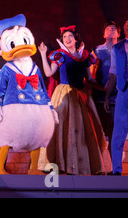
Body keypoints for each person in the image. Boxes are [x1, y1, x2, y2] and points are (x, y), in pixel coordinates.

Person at [39, 25, 111, 175]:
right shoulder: (59, 55)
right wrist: (43, 54)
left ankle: (79, 164)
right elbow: (48, 72)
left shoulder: (85, 56)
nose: (67, 39)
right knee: (62, 129)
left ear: (75, 38)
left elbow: (89, 79)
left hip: (80, 96)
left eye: (70, 36)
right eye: (64, 37)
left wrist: (104, 88)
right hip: (64, 94)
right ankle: (58, 163)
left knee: (81, 131)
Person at [91, 21, 120, 155]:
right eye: (108, 29)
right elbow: (90, 75)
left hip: (119, 96)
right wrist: (102, 88)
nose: (111, 30)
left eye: (113, 29)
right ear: (103, 34)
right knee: (98, 131)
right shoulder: (97, 51)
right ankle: (99, 163)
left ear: (118, 33)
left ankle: (114, 164)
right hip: (100, 96)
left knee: (115, 131)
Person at [105, 19, 128, 175]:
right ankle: (116, 169)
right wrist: (108, 96)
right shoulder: (117, 48)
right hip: (123, 91)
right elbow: (113, 73)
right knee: (118, 131)